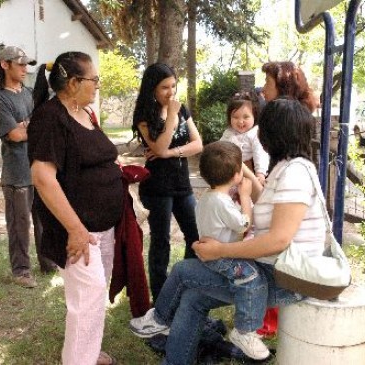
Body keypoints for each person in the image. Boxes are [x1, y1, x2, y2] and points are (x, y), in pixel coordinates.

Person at [129, 99, 326, 365]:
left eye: (263, 127)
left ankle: (161, 322)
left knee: (184, 271)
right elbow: (261, 196)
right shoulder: (285, 168)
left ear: (276, 133)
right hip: (268, 270)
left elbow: (279, 239)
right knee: (193, 297)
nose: (258, 133)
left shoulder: (295, 174)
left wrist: (220, 250)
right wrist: (237, 162)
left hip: (285, 279)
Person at [28, 52, 122, 365]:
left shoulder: (84, 112)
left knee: (95, 296)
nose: (97, 85)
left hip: (101, 225)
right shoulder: (50, 117)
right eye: (93, 80)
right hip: (78, 230)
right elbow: (42, 177)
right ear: (73, 82)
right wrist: (75, 229)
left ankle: (88, 352)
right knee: (87, 298)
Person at [132, 63, 203, 302]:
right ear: (152, 88)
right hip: (157, 187)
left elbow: (198, 144)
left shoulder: (182, 109)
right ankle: (161, 295)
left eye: (173, 86)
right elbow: (159, 146)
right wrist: (171, 117)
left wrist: (172, 153)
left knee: (194, 235)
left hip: (182, 185)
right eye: (164, 87)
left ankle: (185, 284)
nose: (170, 92)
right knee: (161, 241)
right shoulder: (144, 115)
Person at [259, 60, 319, 336]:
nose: (262, 89)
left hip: (289, 265)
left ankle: (269, 320)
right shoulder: (288, 162)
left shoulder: (294, 168)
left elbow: (280, 239)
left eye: (268, 84)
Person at [0, 45, 55, 289]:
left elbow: (46, 122)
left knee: (43, 220)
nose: (25, 69)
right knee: (19, 225)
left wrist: (28, 125)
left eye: (27, 64)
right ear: (5, 65)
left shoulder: (31, 93)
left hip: (39, 169)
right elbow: (15, 135)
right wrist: (31, 127)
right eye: (20, 64)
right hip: (17, 173)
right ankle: (21, 271)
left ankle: (48, 262)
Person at [220, 92, 269, 185]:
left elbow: (260, 153)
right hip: (229, 174)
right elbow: (219, 148)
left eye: (246, 117)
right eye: (235, 117)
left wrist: (260, 173)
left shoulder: (255, 133)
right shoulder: (228, 132)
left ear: (255, 116)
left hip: (248, 175)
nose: (240, 121)